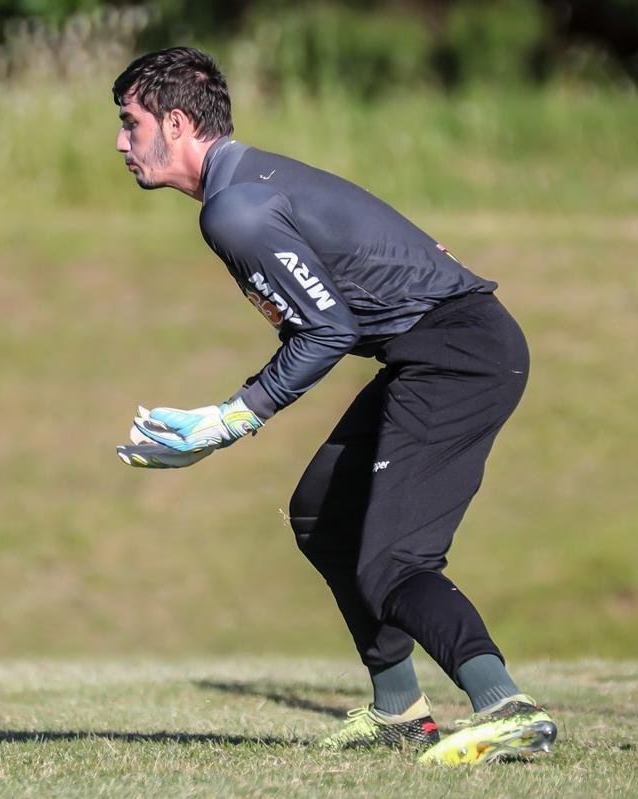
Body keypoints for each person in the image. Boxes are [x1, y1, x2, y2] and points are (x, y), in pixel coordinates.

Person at [112, 47, 557, 765]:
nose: (121, 143)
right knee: (324, 514)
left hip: (459, 355)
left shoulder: (237, 208)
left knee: (394, 560)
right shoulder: (249, 184)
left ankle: (505, 704)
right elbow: (345, 297)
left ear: (177, 121)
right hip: (442, 348)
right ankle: (399, 710)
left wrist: (232, 417)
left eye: (130, 124)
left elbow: (328, 330)